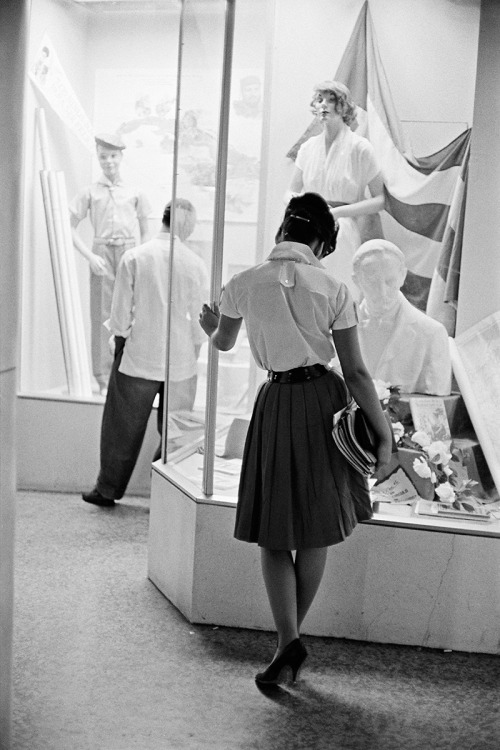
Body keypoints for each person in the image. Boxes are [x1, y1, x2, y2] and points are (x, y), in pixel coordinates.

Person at [199, 192, 392, 685]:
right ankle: (289, 643)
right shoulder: (333, 288)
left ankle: (288, 643)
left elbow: (223, 342)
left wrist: (209, 327)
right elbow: (356, 372)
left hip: (276, 401)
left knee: (273, 528)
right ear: (322, 241)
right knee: (316, 526)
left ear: (283, 230)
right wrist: (385, 437)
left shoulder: (242, 283)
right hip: (325, 402)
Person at [82, 198, 208, 507]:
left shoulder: (135, 257)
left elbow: (121, 315)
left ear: (162, 219)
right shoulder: (195, 263)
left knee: (121, 429)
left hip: (139, 354)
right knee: (176, 432)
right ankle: (168, 494)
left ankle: (108, 489)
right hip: (180, 359)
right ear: (187, 227)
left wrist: (121, 339)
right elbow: (199, 321)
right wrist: (193, 351)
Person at [69, 133, 151, 393]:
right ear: (98, 157)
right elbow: (68, 226)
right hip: (102, 251)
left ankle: (127, 371)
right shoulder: (90, 192)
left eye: (113, 156)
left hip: (128, 251)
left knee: (130, 311)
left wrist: (139, 254)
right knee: (102, 313)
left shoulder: (134, 192)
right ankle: (103, 375)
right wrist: (90, 256)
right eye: (103, 157)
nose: (109, 162)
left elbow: (146, 228)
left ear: (121, 157)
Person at [288, 81, 385, 295]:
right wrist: (299, 210)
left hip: (342, 230)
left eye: (331, 100)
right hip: (308, 228)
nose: (324, 105)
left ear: (343, 107)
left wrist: (338, 212)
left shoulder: (360, 148)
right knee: (306, 289)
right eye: (320, 100)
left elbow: (380, 200)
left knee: (338, 289)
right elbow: (292, 191)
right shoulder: (308, 148)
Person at [352, 239, 452, 395]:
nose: (382, 292)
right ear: (356, 280)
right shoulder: (339, 330)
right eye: (372, 281)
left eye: (389, 281)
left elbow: (436, 408)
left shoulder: (431, 333)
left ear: (402, 276)